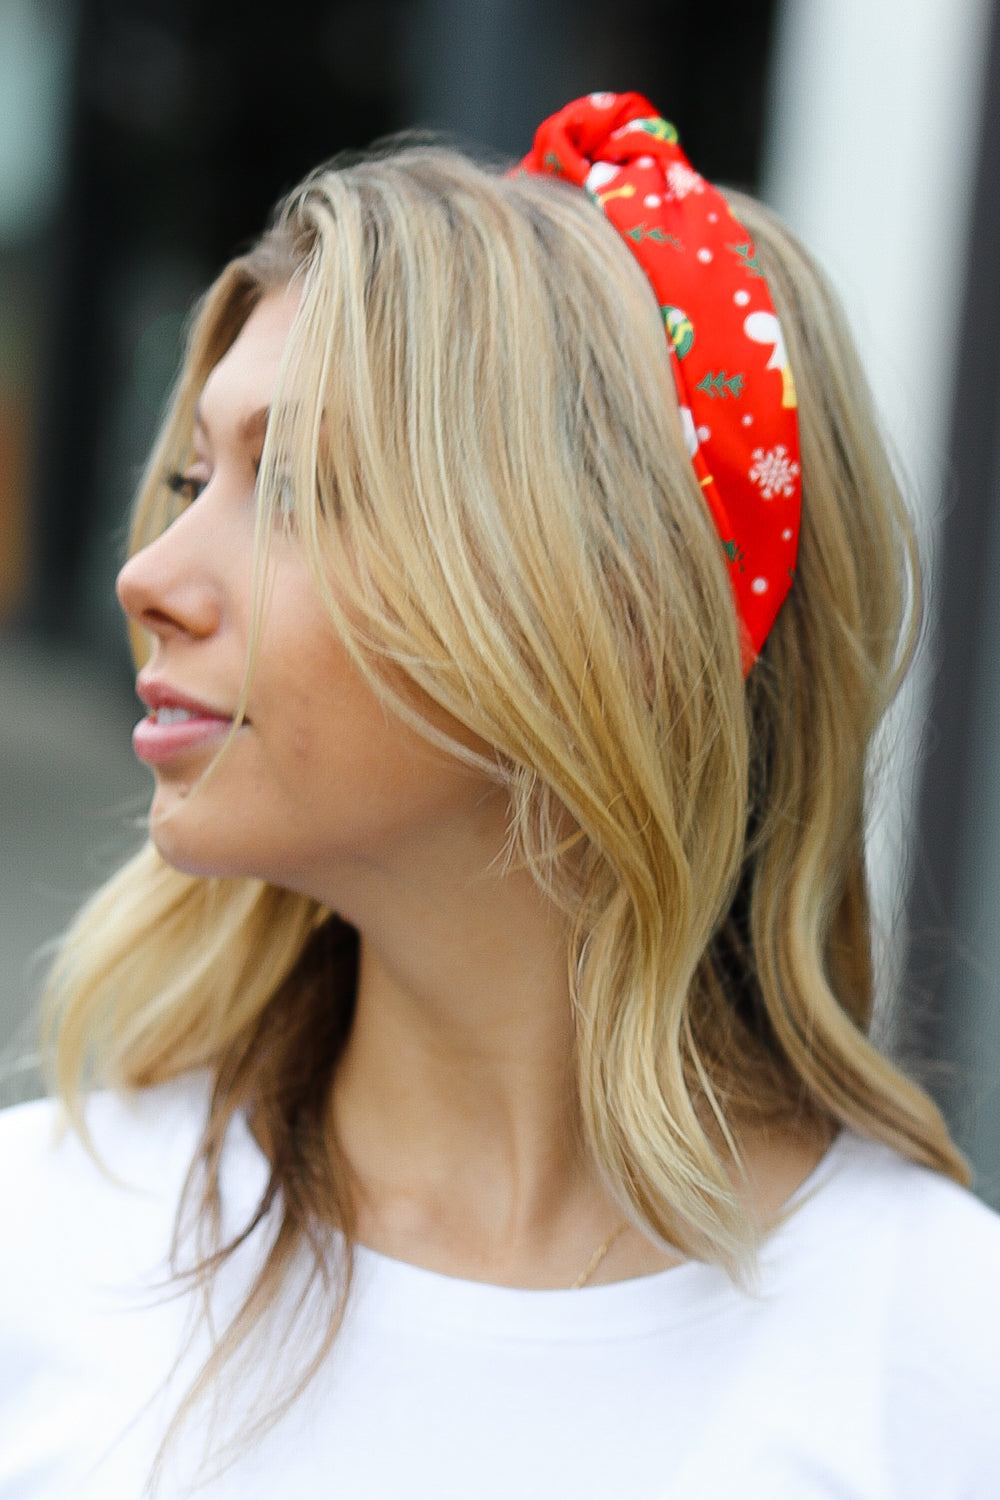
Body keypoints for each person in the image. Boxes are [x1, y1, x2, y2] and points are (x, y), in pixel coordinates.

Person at [1, 91, 998, 1499]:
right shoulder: (44, 1246)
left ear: (613, 620)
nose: (147, 577)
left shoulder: (941, 1358)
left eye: (292, 488)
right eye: (187, 477)